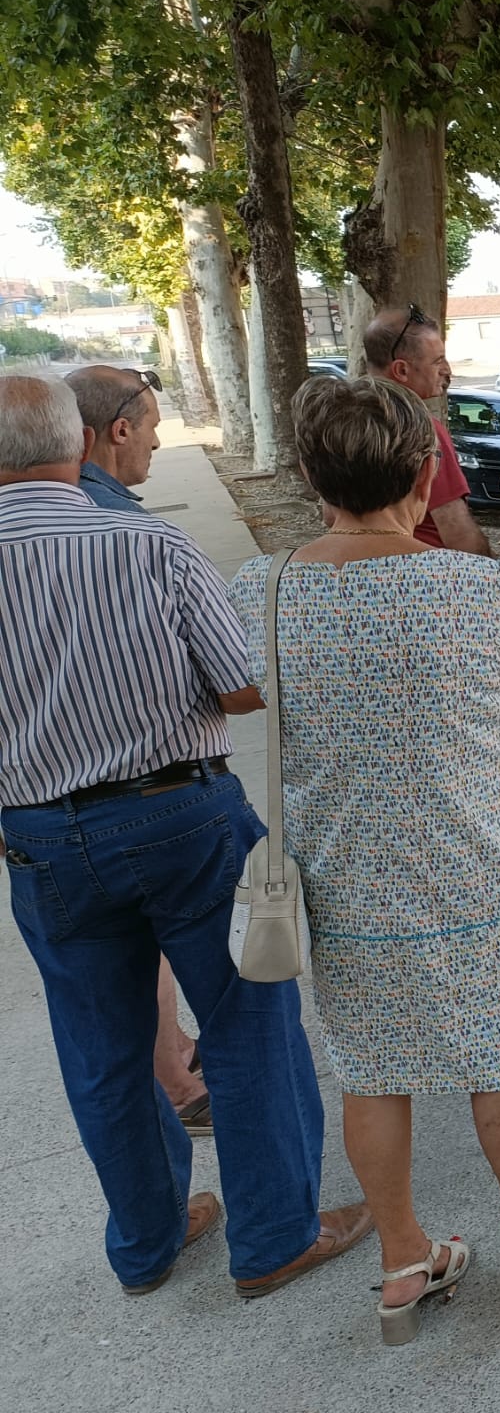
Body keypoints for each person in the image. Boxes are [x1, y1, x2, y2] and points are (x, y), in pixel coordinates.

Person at [1, 374, 369, 1301]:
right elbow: (242, 685)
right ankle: (277, 1233)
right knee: (247, 1020)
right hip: (180, 813)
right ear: (83, 442)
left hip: (42, 835)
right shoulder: (147, 540)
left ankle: (148, 1243)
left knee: (102, 1048)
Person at [225, 377, 500, 1340]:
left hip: (343, 881)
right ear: (425, 471)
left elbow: (242, 693)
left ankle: (401, 1264)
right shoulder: (474, 583)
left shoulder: (266, 587)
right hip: (480, 871)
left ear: (307, 475)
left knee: (373, 1073)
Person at [65, 365, 210, 1130]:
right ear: (118, 431)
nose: (157, 440)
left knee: (97, 1025)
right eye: (152, 426)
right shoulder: (130, 529)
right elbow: (234, 679)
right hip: (145, 796)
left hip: (45, 818)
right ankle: (181, 1083)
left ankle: (150, 1227)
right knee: (237, 1002)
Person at [362, 304, 492, 557]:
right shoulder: (423, 431)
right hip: (430, 577)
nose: (447, 370)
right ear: (401, 370)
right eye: (438, 361)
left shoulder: (339, 425)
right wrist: (493, 577)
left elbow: (331, 516)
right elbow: (456, 529)